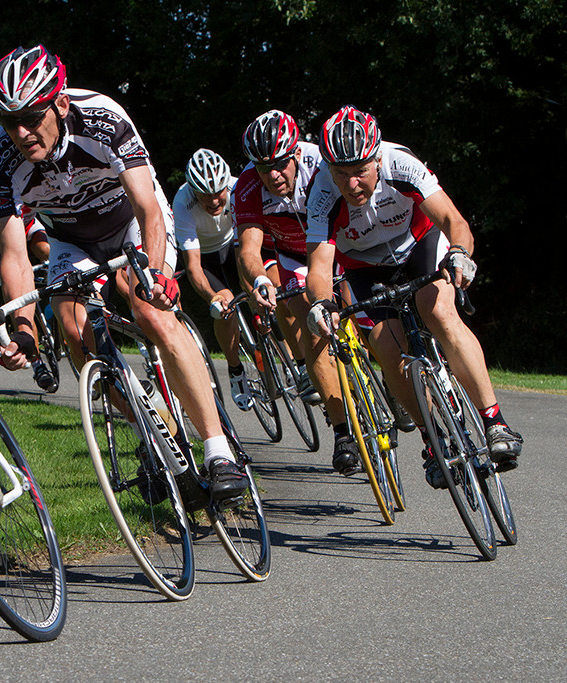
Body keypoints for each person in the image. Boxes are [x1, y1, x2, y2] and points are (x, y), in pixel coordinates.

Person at [0, 44, 247, 499]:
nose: (21, 132)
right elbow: (15, 254)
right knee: (73, 329)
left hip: (132, 222)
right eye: (8, 121)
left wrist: (157, 276)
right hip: (71, 240)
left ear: (61, 104)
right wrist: (24, 328)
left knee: (149, 308)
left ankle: (219, 452)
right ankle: (152, 435)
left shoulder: (103, 117)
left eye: (31, 117)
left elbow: (148, 208)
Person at [305, 105, 523, 486]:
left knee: (438, 312)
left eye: (360, 171)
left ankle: (494, 422)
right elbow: (320, 268)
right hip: (364, 268)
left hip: (420, 244)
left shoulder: (401, 164)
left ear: (376, 158)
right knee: (386, 347)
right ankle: (432, 439)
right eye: (341, 173)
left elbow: (454, 221)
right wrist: (322, 303)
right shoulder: (322, 193)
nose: (351, 184)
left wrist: (460, 252)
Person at [234, 109, 358, 475]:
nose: (273, 176)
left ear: (297, 153)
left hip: (341, 246)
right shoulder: (248, 186)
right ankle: (343, 433)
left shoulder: (323, 164)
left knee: (361, 317)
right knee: (314, 322)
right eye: (264, 168)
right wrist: (260, 279)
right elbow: (249, 251)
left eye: (280, 165)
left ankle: (379, 378)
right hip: (294, 256)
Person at [171, 148, 251, 411]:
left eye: (219, 192)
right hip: (205, 257)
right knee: (225, 307)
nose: (215, 201)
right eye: (206, 195)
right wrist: (213, 297)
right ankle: (235, 369)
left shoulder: (238, 188)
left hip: (234, 246)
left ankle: (271, 342)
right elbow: (193, 266)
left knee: (256, 286)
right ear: (194, 191)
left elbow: (249, 244)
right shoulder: (183, 202)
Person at [0, 207, 59, 392]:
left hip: (29, 226)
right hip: (0, 239)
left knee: (48, 251)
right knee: (20, 304)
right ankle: (38, 365)